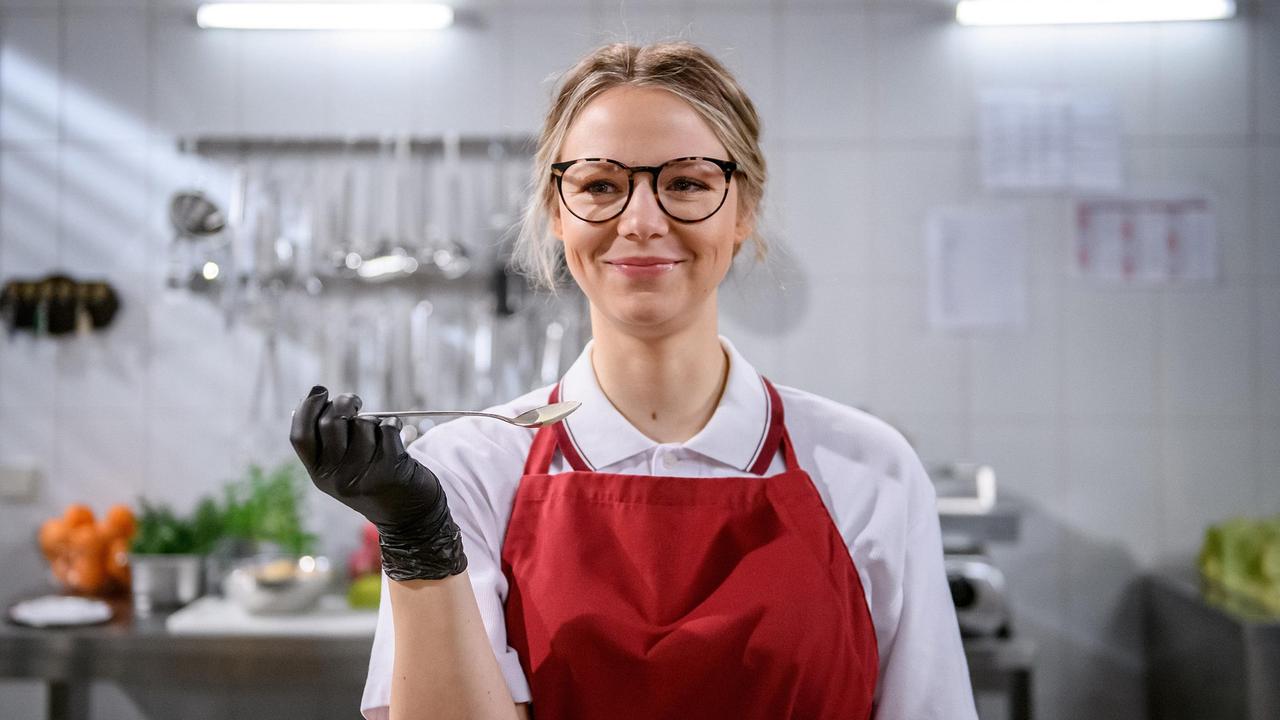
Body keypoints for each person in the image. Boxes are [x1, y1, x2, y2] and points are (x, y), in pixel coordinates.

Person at [291, 41, 977, 720]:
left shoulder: (869, 471)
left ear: (742, 211)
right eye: (599, 185)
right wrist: (418, 539)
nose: (642, 220)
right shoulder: (464, 471)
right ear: (558, 213)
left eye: (686, 182)